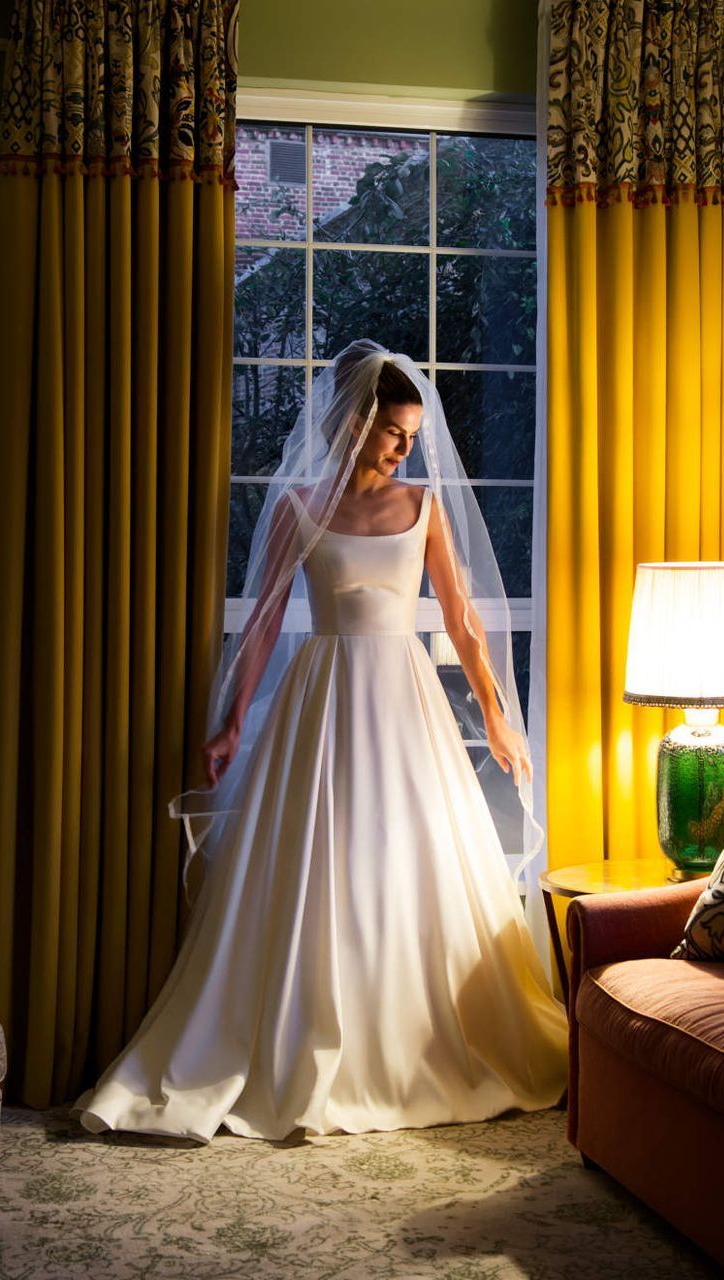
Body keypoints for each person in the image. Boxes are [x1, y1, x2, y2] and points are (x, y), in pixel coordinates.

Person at [74, 340, 567, 1141]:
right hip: (320, 701)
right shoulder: (299, 505)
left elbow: (464, 623)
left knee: (410, 868)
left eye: (412, 435)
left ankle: (409, 1045)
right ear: (356, 420)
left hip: (404, 702)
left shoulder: (423, 508)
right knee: (316, 867)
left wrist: (498, 716)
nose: (407, 447)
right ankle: (295, 1043)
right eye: (394, 433)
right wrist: (232, 723)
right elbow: (266, 616)